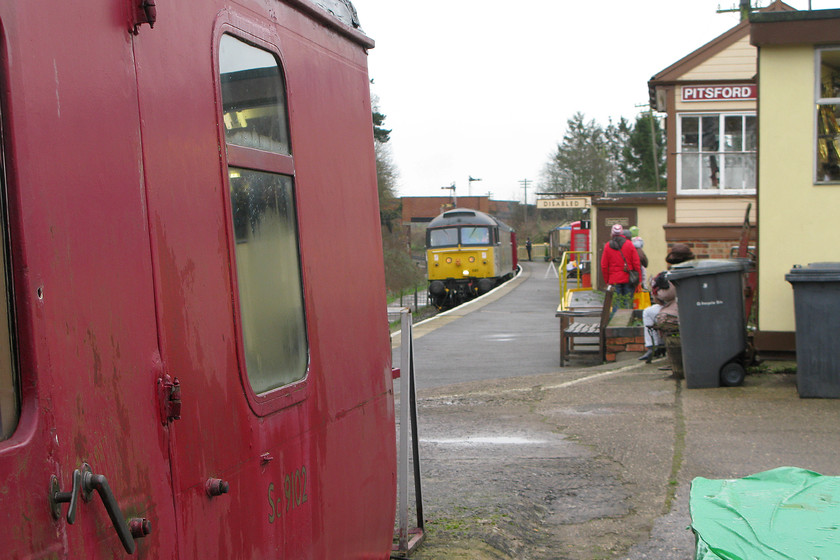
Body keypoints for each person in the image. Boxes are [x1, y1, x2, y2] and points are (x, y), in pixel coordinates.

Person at [639, 243, 695, 362]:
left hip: (678, 310)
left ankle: (653, 347)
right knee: (650, 312)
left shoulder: (673, 274)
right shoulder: (693, 270)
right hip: (687, 308)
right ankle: (656, 347)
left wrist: (656, 290)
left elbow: (665, 295)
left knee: (650, 313)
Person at [600, 224, 641, 309]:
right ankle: (627, 321)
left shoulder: (607, 246)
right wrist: (638, 279)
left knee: (616, 304)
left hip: (614, 279)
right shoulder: (629, 244)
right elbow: (636, 263)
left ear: (612, 234)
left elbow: (604, 265)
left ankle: (616, 322)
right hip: (628, 279)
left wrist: (607, 280)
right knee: (628, 303)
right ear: (622, 233)